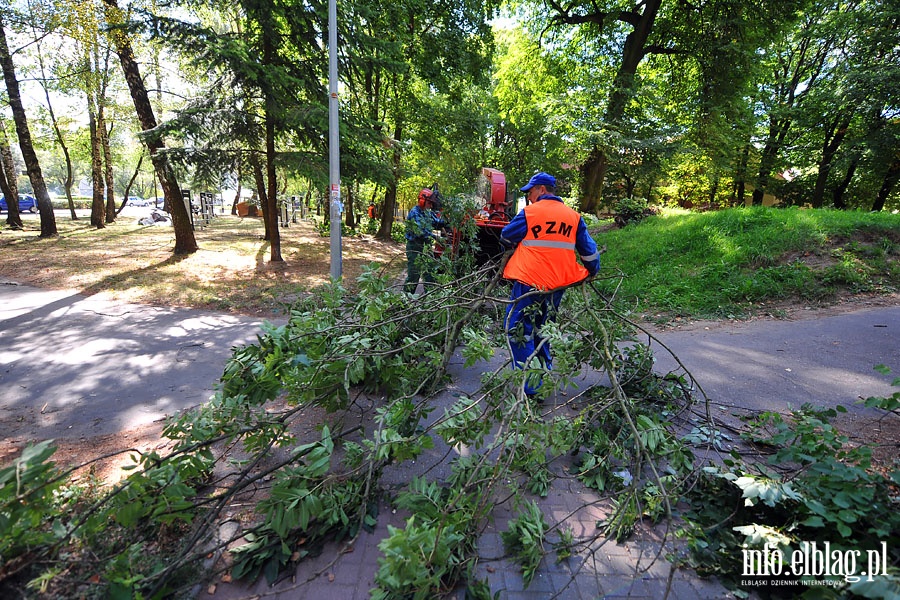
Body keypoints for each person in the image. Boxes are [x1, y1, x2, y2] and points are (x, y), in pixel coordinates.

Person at [500, 172, 600, 398]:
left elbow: (506, 236)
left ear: (542, 190)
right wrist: (592, 272)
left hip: (529, 282)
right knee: (544, 328)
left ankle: (530, 388)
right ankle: (543, 376)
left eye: (530, 192)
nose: (529, 196)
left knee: (518, 329)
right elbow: (590, 254)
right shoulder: (573, 217)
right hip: (556, 287)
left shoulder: (530, 212)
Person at [405, 188, 448, 294]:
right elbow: (419, 231)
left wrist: (447, 221)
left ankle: (431, 299)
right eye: (429, 203)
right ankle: (404, 301)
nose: (431, 206)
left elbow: (436, 222)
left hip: (426, 246)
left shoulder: (427, 213)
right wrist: (435, 237)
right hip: (415, 246)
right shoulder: (415, 212)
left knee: (430, 273)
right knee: (414, 276)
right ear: (422, 200)